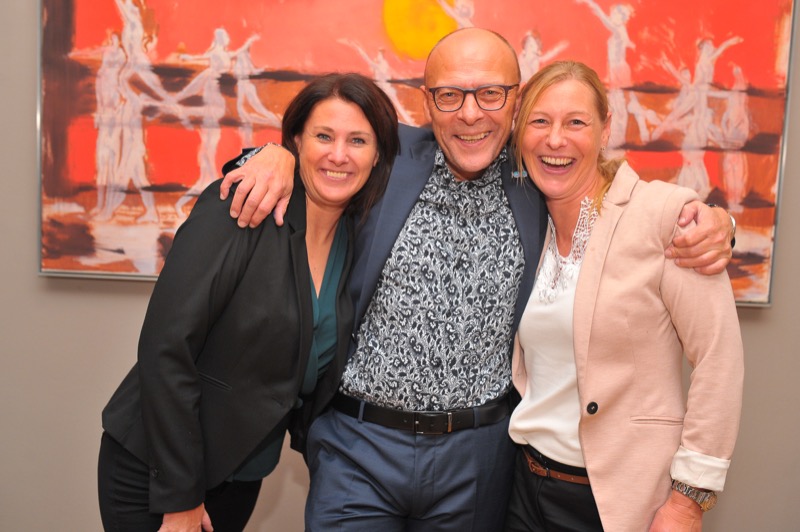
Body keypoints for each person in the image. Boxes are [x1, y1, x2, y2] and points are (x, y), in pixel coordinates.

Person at [218, 28, 735, 530]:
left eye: (490, 93)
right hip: (359, 445)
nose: (470, 114)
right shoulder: (389, 157)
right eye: (450, 95)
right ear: (427, 102)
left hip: (476, 459)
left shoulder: (537, 175)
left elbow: (617, 194)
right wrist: (272, 157)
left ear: (515, 102)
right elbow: (324, 155)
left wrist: (718, 223)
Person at [97, 73, 399, 532]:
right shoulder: (243, 207)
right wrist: (181, 495)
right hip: (158, 470)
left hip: (242, 474)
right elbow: (166, 346)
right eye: (323, 136)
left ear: (377, 155)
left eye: (357, 140)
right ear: (296, 142)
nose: (339, 155)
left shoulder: (357, 240)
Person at [505, 60, 744, 531]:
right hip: (523, 488)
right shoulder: (526, 217)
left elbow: (719, 359)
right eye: (539, 121)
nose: (555, 140)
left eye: (576, 122)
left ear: (606, 128)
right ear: (519, 133)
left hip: (619, 501)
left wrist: (688, 501)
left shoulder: (663, 214)